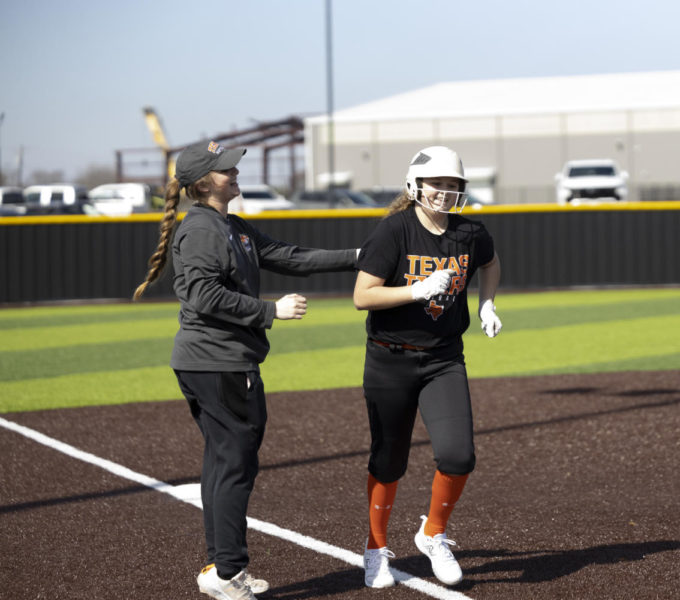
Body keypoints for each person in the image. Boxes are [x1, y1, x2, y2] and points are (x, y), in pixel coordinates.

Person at [133, 140, 358, 600]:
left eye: (233, 166)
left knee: (223, 465)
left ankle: (222, 568)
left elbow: (291, 257)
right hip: (218, 364)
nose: (234, 173)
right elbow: (201, 296)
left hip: (217, 363)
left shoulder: (229, 225)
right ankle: (228, 571)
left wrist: (360, 257)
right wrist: (270, 311)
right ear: (201, 183)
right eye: (224, 170)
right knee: (234, 465)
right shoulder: (201, 229)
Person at [353, 146, 502, 588]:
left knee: (459, 456)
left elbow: (491, 264)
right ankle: (376, 548)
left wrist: (487, 302)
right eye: (437, 183)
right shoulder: (393, 231)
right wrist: (415, 291)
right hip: (389, 358)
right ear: (416, 186)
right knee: (388, 461)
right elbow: (363, 296)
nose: (445, 192)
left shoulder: (470, 232)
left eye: (453, 185)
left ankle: (433, 534)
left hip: (443, 359)